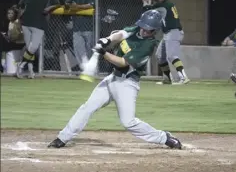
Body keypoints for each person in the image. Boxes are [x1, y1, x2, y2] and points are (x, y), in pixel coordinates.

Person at [48, 10, 182, 150]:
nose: (143, 30)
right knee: (87, 107)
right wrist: (108, 39)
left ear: (154, 30)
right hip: (112, 78)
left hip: (127, 84)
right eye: (143, 26)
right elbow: (122, 34)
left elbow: (123, 62)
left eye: (147, 29)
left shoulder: (148, 45)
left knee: (128, 122)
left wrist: (103, 53)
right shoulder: (137, 29)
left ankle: (163, 138)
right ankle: (62, 138)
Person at [15, 0, 60, 78]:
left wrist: (49, 8)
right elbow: (20, 5)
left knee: (33, 47)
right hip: (26, 23)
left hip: (40, 23)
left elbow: (58, 3)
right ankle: (31, 72)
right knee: (29, 48)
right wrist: (19, 16)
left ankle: (21, 65)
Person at [142, 0, 189, 85]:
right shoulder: (166, 4)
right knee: (159, 56)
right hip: (169, 33)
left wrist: (146, 1)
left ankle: (183, 77)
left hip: (173, 32)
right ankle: (167, 79)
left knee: (172, 56)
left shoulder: (164, 5)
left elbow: (148, 11)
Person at [65, 0, 95, 70]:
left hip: (90, 27)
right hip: (77, 27)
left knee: (90, 50)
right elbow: (67, 2)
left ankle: (92, 69)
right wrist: (69, 5)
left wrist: (77, 6)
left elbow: (92, 5)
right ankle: (85, 70)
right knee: (78, 50)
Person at [0, 8, 25, 73]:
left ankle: (2, 66)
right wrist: (6, 36)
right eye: (8, 13)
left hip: (19, 44)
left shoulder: (17, 22)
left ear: (15, 15)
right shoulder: (10, 23)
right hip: (13, 43)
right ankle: (3, 65)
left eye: (12, 13)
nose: (10, 15)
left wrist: (8, 38)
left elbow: (19, 35)